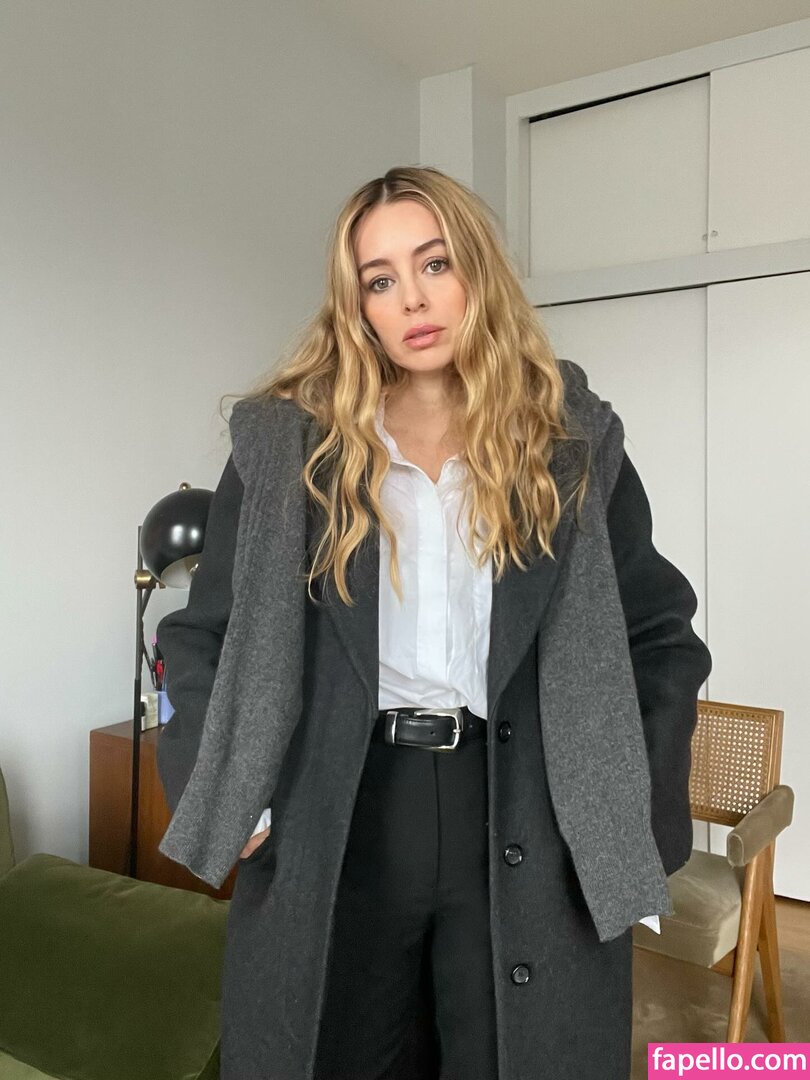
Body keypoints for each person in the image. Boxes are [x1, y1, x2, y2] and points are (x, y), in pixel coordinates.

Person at [155, 165, 712, 1080]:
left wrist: (629, 814)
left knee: (515, 1058)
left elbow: (660, 637)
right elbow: (197, 635)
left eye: (434, 263)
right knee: (335, 1054)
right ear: (357, 305)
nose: (411, 299)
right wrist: (223, 788)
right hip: (340, 803)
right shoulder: (287, 446)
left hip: (525, 804)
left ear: (476, 271)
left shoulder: (570, 441)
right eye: (380, 279)